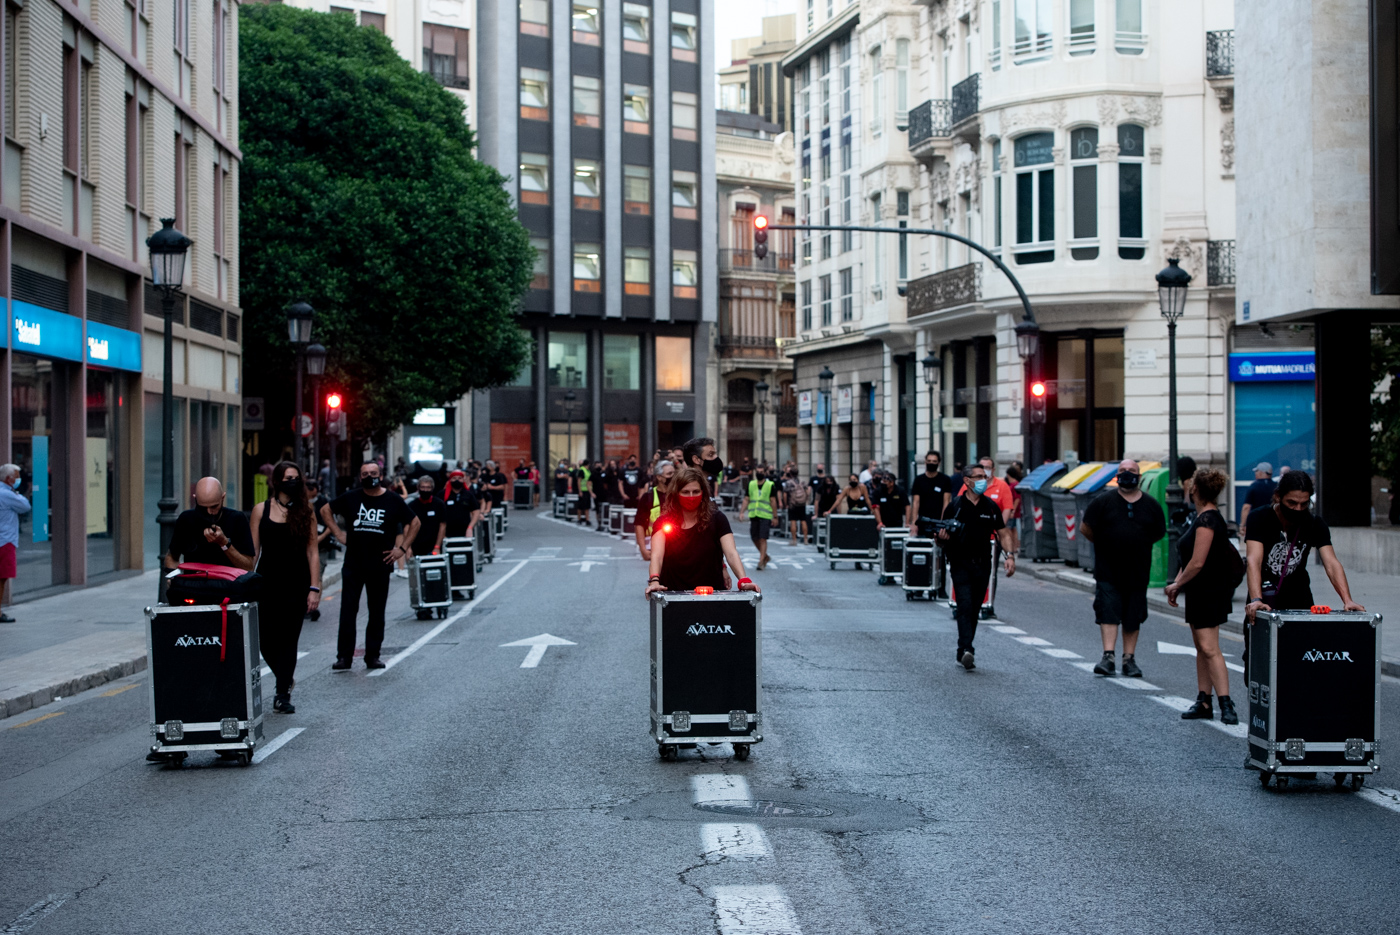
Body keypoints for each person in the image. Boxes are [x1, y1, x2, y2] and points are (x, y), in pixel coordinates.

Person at [1245, 472, 1364, 674]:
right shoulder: (1259, 517)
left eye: (1304, 504)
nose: (1298, 509)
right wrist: (1256, 598)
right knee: (1258, 666)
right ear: (1278, 497)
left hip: (1300, 604)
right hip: (1264, 604)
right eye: (1291, 503)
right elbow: (1253, 560)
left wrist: (1347, 599)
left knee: (1300, 664)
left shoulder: (1314, 523)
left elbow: (1331, 563)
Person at [320, 461, 419, 671]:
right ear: (359, 476)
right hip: (354, 563)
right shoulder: (351, 497)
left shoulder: (392, 499)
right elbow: (325, 510)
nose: (369, 476)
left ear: (381, 475)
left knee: (376, 612)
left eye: (373, 473)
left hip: (380, 564)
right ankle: (344, 657)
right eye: (364, 473)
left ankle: (372, 656)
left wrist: (401, 549)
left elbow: (415, 522)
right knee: (348, 610)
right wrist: (338, 534)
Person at [1165, 469, 1242, 725]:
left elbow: (1197, 562)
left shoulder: (1208, 520)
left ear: (1194, 489)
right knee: (1201, 647)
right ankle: (1204, 699)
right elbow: (1189, 559)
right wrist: (1180, 581)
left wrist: (1176, 584)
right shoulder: (1201, 518)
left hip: (1209, 591)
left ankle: (1226, 703)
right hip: (1200, 591)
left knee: (1210, 648)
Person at [1080, 459, 1166, 678]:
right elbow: (1086, 528)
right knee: (1108, 612)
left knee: (1133, 616)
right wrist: (1106, 543)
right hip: (1108, 570)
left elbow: (1158, 532)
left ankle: (1129, 659)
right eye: (1123, 471)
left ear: (1139, 475)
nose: (1127, 474)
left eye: (1132, 471)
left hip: (1137, 571)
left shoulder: (1151, 505)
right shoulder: (1102, 502)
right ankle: (1108, 657)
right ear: (1117, 475)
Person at [249, 461, 321, 714]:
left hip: (296, 583)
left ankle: (282, 694)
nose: (293, 481)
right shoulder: (261, 510)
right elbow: (253, 553)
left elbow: (313, 552)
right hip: (266, 582)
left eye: (296, 477)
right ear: (277, 481)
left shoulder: (306, 511)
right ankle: (285, 676)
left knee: (289, 640)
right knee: (265, 641)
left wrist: (315, 588)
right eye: (288, 477)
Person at [939, 462, 1016, 670]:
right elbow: (939, 537)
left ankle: (962, 648)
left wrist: (1010, 556)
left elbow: (1002, 532)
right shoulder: (955, 506)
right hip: (960, 562)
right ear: (967, 481)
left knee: (974, 608)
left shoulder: (990, 507)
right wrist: (941, 537)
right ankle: (967, 649)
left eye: (985, 476)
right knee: (964, 604)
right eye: (979, 476)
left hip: (983, 565)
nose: (984, 480)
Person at [644, 466, 760, 597]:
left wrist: (743, 580)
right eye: (685, 492)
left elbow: (731, 553)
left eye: (695, 491)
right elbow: (657, 556)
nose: (691, 497)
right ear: (676, 494)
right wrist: (654, 580)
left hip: (712, 595)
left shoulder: (718, 519)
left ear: (703, 492)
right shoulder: (663, 522)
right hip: (673, 595)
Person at [165, 477, 255, 573]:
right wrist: (172, 576)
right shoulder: (186, 519)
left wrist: (224, 543)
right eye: (203, 508)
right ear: (195, 499)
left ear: (222, 498)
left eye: (214, 506)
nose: (209, 512)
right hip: (194, 584)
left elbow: (248, 567)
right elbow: (172, 556)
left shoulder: (237, 519)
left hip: (227, 584)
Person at [0, 464, 30, 622]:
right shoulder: (7, 494)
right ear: (8, 478)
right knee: (2, 578)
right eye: (16, 476)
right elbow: (25, 506)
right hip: (5, 540)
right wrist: (17, 493)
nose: (18, 479)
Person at [741, 464, 781, 570]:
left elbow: (773, 501)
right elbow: (746, 499)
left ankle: (761, 561)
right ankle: (765, 556)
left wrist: (775, 516)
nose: (759, 473)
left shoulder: (770, 484)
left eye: (762, 471)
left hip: (765, 515)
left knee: (763, 538)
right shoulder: (751, 484)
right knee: (754, 538)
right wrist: (741, 512)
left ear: (765, 472)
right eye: (758, 471)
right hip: (753, 514)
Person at [306, 477, 334, 621]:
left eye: (310, 489)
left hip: (321, 545)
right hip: (306, 545)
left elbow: (331, 525)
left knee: (318, 573)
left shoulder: (323, 503)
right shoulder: (302, 503)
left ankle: (314, 604)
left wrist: (318, 539)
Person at [637, 459, 675, 561]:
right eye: (669, 474)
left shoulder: (680, 494)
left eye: (674, 473)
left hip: (677, 545)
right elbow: (639, 524)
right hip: (654, 543)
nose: (672, 476)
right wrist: (643, 549)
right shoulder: (648, 497)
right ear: (659, 477)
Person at [910, 451, 953, 536]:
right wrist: (914, 523)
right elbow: (915, 502)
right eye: (929, 461)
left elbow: (946, 502)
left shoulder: (945, 480)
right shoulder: (919, 480)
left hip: (938, 521)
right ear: (925, 462)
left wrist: (942, 522)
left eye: (934, 461)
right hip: (923, 521)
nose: (931, 463)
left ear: (939, 463)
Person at [408, 476, 447, 557]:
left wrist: (437, 546)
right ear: (418, 488)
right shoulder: (412, 505)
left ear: (432, 488)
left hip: (434, 546)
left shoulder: (439, 504)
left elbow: (442, 525)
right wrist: (408, 548)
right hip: (417, 547)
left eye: (428, 487)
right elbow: (407, 527)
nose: (425, 490)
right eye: (423, 487)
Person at [1238, 462, 1277, 540]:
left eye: (1257, 471)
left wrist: (1242, 524)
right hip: (1274, 523)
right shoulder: (1276, 486)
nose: (1255, 473)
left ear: (1262, 472)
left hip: (1257, 523)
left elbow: (1246, 507)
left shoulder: (1254, 486)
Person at [441, 469, 482, 539]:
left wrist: (470, 527)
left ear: (463, 480)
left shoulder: (468, 494)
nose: (457, 480)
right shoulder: (442, 494)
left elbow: (476, 511)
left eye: (459, 478)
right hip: (447, 534)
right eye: (454, 478)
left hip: (465, 532)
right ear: (450, 480)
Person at [784, 468, 810, 545]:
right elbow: (807, 492)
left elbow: (785, 494)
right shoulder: (802, 482)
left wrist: (786, 504)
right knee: (803, 520)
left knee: (793, 521)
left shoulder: (788, 483)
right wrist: (805, 500)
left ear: (791, 474)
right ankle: (805, 539)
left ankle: (794, 540)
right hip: (802, 504)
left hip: (793, 504)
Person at [574, 459, 593, 524]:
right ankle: (579, 519)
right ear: (588, 464)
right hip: (582, 490)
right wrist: (580, 491)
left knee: (587, 506)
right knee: (580, 506)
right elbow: (579, 481)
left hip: (587, 490)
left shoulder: (588, 471)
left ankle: (587, 519)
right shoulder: (582, 470)